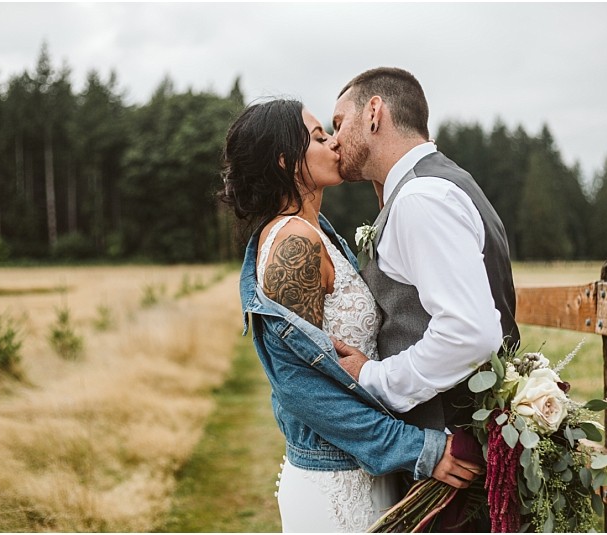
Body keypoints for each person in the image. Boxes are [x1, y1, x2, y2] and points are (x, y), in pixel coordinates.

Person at [219, 98, 482, 532]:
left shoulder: (317, 231)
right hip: (335, 485)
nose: (335, 144)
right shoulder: (293, 246)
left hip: (361, 469)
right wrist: (418, 448)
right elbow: (299, 387)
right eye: (320, 137)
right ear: (287, 162)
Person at [331, 67, 520, 528]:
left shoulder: (421, 199)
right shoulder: (440, 183)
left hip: (454, 466)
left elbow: (470, 333)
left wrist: (374, 377)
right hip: (465, 452)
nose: (333, 141)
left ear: (374, 113)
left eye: (339, 123)